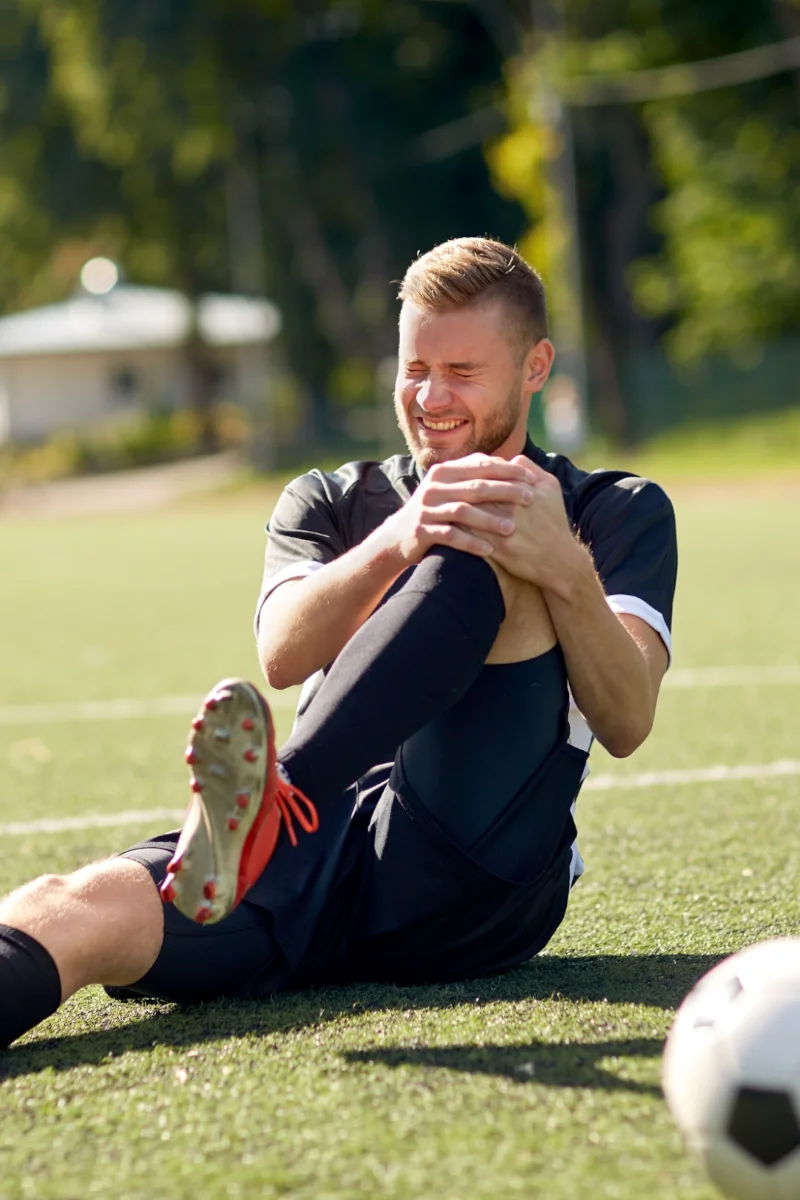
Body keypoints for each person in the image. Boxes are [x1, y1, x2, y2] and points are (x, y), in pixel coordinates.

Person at [0, 237, 677, 1050]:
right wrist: (400, 538)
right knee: (68, 906)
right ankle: (263, 827)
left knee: (492, 527)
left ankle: (275, 799)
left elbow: (629, 719)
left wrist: (566, 569)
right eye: (414, 369)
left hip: (468, 876)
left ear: (536, 367)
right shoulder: (327, 496)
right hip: (310, 848)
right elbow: (282, 654)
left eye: (462, 372)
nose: (431, 396)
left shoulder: (615, 509)